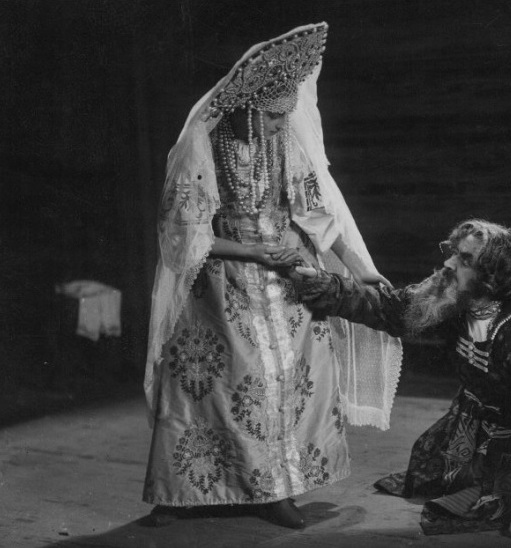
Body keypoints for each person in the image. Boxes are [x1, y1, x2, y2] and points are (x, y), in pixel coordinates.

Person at [142, 23, 402, 529]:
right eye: (274, 116)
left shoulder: (286, 147)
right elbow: (184, 235)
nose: (284, 125)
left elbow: (318, 216)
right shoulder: (204, 146)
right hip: (222, 285)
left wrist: (361, 269)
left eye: (286, 116)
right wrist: (255, 253)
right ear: (246, 109)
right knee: (211, 385)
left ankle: (276, 490)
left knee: (290, 379)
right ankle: (182, 492)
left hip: (286, 283)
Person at [292, 219, 511, 539]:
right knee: (437, 474)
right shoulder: (455, 294)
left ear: (492, 274)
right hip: (478, 417)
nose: (448, 264)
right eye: (454, 252)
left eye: (465, 259)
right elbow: (392, 308)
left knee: (500, 497)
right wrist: (326, 286)